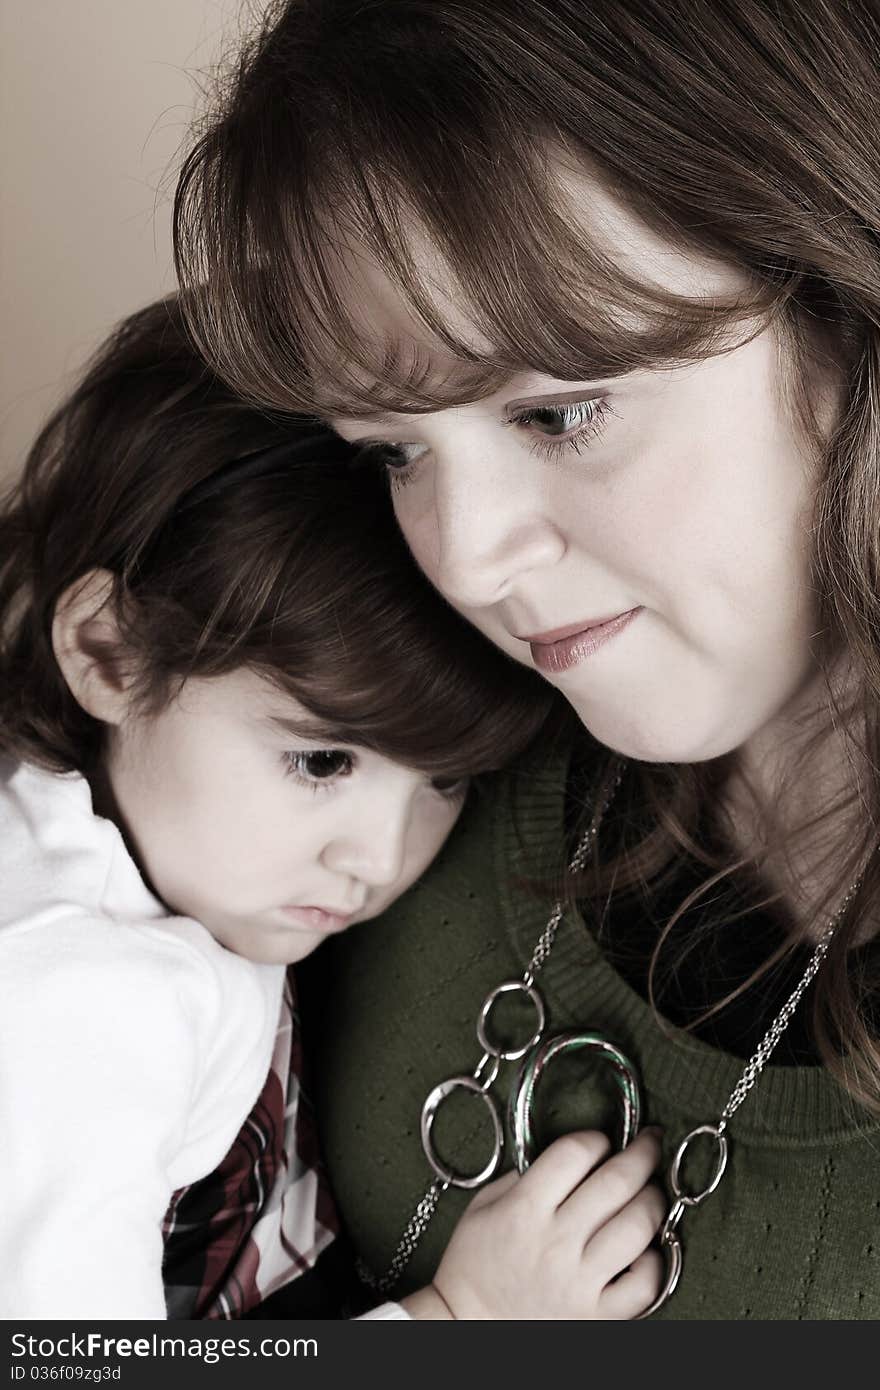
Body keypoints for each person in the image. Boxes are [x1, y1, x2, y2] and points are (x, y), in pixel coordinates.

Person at [172, 0, 880, 1319]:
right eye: (392, 450)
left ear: (847, 310)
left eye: (560, 412)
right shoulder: (375, 735)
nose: (466, 560)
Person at [0, 294, 669, 1321]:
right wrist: (465, 1322)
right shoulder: (86, 1005)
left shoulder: (120, 858)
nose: (379, 856)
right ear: (109, 652)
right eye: (319, 762)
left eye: (445, 782)